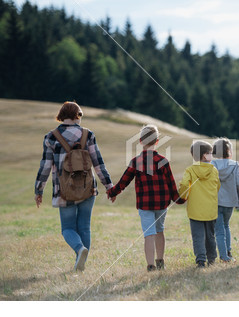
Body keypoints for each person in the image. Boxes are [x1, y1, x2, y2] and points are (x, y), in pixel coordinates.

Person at [34, 101, 113, 271]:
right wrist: (109, 186)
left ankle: (79, 250)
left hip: (64, 191)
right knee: (84, 226)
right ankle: (81, 260)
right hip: (87, 188)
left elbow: (45, 167)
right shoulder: (88, 134)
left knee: (68, 228)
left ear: (61, 116)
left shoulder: (51, 137)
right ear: (78, 116)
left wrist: (38, 190)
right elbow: (98, 164)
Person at [107, 125, 183, 271]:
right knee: (160, 230)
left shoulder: (136, 162)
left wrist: (112, 193)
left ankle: (150, 265)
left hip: (145, 204)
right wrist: (180, 199)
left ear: (141, 141)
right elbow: (171, 184)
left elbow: (124, 181)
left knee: (149, 233)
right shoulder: (163, 161)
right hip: (162, 203)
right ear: (157, 141)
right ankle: (160, 261)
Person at [179, 140, 221, 268]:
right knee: (210, 236)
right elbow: (218, 186)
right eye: (210, 153)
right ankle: (212, 258)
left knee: (198, 236)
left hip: (195, 210)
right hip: (210, 209)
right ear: (204, 156)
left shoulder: (190, 170)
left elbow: (185, 185)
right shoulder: (214, 171)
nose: (212, 156)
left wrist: (183, 196)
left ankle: (201, 260)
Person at [211, 138, 239, 262]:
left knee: (219, 230)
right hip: (230, 201)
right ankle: (228, 252)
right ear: (229, 150)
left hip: (215, 201)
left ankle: (223, 256)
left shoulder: (211, 165)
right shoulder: (234, 164)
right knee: (226, 226)